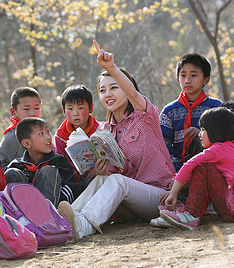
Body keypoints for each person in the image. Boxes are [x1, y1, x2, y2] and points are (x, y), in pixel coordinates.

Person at [57, 40, 175, 240]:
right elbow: (112, 173)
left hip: (159, 197)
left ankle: (83, 226)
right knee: (105, 178)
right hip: (127, 204)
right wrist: (98, 170)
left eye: (114, 88)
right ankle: (61, 224)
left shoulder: (145, 117)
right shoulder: (104, 130)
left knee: (118, 182)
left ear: (126, 90)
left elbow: (134, 95)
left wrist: (110, 67)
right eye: (102, 90)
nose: (107, 94)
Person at [160, 107, 234, 230]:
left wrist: (173, 194)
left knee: (202, 167)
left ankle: (191, 215)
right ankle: (189, 211)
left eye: (203, 130)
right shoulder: (231, 147)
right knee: (204, 168)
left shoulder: (218, 149)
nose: (200, 134)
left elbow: (188, 165)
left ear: (215, 131)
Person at [4, 117, 87, 207]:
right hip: (23, 213)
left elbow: (72, 191)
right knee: (11, 173)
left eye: (47, 131)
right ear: (27, 143)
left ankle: (45, 215)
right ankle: (23, 217)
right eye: (41, 133)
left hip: (54, 212)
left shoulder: (59, 161)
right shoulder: (17, 165)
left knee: (48, 171)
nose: (48, 137)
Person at [160, 53, 222, 172]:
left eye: (194, 75)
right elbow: (163, 146)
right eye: (183, 76)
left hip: (209, 169)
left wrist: (201, 134)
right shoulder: (169, 111)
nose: (187, 80)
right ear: (178, 79)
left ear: (206, 80)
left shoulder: (216, 107)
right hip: (175, 171)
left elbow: (223, 142)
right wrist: (180, 171)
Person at [54, 84, 100, 181]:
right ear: (64, 111)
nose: (75, 113)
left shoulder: (100, 130)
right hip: (73, 181)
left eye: (80, 108)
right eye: (70, 109)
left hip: (99, 176)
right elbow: (60, 162)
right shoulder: (60, 136)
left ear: (91, 108)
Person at [0, 87, 41, 170]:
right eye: (26, 109)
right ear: (13, 112)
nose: (32, 113)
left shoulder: (39, 128)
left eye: (36, 108)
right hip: (13, 177)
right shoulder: (15, 134)